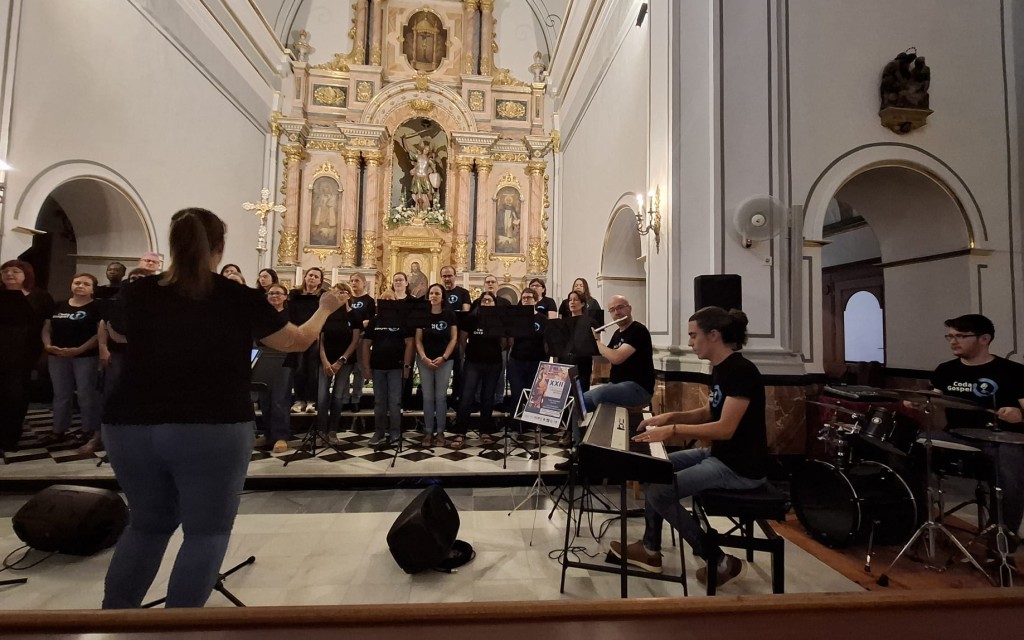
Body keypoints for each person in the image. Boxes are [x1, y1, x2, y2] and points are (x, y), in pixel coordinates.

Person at [100, 207, 344, 609]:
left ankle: (112, 626)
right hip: (210, 421)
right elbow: (296, 341)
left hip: (131, 420)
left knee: (146, 525)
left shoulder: (138, 291)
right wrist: (325, 308)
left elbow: (117, 332)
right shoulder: (236, 296)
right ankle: (180, 630)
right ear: (219, 247)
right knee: (205, 532)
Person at [610, 306, 767, 588]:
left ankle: (718, 560)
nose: (690, 342)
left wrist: (673, 430)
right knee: (655, 469)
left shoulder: (741, 371)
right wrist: (670, 416)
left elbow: (725, 428)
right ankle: (649, 549)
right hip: (721, 455)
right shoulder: (721, 368)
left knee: (660, 492)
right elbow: (710, 412)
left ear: (714, 335)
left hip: (739, 466)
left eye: (694, 336)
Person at [929, 314, 1024, 547]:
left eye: (961, 336)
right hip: (957, 437)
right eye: (950, 336)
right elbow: (935, 398)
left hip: (1002, 440)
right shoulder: (945, 370)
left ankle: (1001, 543)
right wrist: (921, 402)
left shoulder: (1012, 371)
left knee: (1010, 475)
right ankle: (919, 519)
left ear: (984, 339)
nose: (953, 341)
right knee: (907, 445)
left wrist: (1019, 415)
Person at [40, 273, 102, 446]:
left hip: (85, 356)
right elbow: (47, 328)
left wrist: (80, 349)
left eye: (86, 284)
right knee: (61, 394)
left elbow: (100, 333)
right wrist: (48, 345)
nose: (80, 286)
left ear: (92, 289)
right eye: (77, 282)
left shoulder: (97, 307)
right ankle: (58, 430)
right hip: (58, 355)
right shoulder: (59, 305)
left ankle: (88, 430)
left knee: (86, 394)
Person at [0, 260, 55, 454]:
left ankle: (10, 437)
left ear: (27, 275)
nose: (9, 274)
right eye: (5, 271)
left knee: (16, 395)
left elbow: (47, 326)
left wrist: (46, 349)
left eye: (15, 271)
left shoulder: (40, 296)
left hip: (24, 352)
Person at [582, 295, 655, 413]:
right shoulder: (617, 333)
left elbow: (616, 358)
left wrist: (595, 342)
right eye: (612, 310)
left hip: (638, 388)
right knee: (578, 402)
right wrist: (587, 346)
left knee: (601, 395)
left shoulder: (638, 330)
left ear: (629, 309)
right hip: (615, 385)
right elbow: (604, 359)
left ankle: (608, 430)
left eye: (620, 307)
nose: (617, 312)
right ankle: (578, 432)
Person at [453, 292, 506, 449]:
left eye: (490, 300)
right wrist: (472, 351)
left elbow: (504, 342)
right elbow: (463, 339)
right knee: (467, 396)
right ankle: (461, 432)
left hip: (493, 363)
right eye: (484, 300)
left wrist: (493, 352)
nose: (487, 302)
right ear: (480, 303)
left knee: (488, 397)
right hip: (473, 362)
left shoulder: (499, 320)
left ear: (494, 304)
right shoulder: (471, 317)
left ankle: (485, 431)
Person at [361, 291, 414, 446]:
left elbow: (409, 343)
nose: (387, 301)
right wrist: (366, 366)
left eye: (390, 299)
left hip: (396, 367)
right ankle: (379, 432)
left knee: (395, 401)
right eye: (384, 299)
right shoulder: (374, 321)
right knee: (379, 402)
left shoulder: (402, 320)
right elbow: (365, 344)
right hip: (378, 366)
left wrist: (406, 366)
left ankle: (396, 432)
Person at [317, 282, 361, 441]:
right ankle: (321, 430)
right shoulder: (326, 313)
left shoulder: (354, 315)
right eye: (336, 293)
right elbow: (320, 339)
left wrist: (341, 361)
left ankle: (332, 430)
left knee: (337, 396)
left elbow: (355, 341)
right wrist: (325, 360)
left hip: (344, 361)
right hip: (325, 360)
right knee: (322, 396)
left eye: (343, 292)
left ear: (349, 295)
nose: (340, 295)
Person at [255, 283, 295, 454]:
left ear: (285, 297)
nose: (274, 296)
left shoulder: (291, 315)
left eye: (278, 293)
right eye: (271, 293)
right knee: (264, 399)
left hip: (284, 360)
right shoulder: (262, 315)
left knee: (279, 398)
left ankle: (281, 436)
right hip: (264, 359)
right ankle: (268, 433)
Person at [416, 283, 457, 447]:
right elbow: (418, 339)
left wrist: (444, 357)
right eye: (431, 293)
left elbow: (454, 338)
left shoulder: (450, 314)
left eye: (437, 293)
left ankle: (440, 432)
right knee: (427, 397)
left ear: (442, 297)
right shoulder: (422, 315)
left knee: (440, 398)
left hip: (445, 361)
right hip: (425, 360)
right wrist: (424, 357)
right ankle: (427, 431)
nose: (433, 296)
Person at [288, 267, 325, 413]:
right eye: (310, 275)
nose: (312, 278)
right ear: (305, 277)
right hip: (297, 335)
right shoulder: (294, 294)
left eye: (316, 276)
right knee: (299, 368)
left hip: (314, 336)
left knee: (312, 369)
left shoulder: (322, 297)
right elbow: (290, 313)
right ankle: (299, 399)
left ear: (320, 281)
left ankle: (311, 400)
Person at [507, 288, 548, 420]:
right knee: (517, 395)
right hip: (517, 361)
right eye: (523, 298)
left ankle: (533, 426)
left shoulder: (542, 319)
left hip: (536, 361)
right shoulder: (515, 318)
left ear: (535, 300)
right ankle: (515, 427)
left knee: (535, 396)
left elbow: (546, 342)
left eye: (529, 297)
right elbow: (511, 340)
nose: (525, 300)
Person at [345, 271, 376, 411]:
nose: (353, 283)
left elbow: (370, 320)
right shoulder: (347, 299)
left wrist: (358, 324)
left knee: (358, 370)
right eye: (351, 280)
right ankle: (344, 398)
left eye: (357, 280)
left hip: (361, 338)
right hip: (346, 338)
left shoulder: (369, 301)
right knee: (345, 370)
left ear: (364, 283)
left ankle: (356, 399)